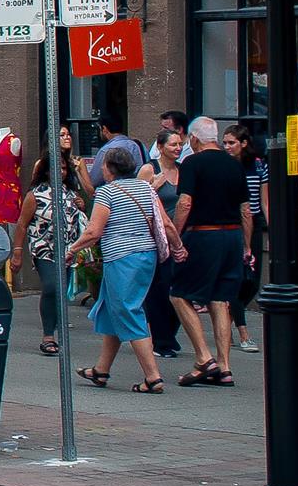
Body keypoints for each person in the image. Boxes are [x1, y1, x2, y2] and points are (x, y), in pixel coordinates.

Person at [65, 145, 177, 393]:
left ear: (109, 169)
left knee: (128, 310)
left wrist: (72, 249)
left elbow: (94, 231)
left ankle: (153, 377)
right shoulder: (146, 188)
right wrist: (177, 247)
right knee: (109, 309)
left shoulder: (107, 193)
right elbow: (166, 223)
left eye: (103, 165)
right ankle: (101, 370)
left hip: (121, 258)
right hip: (146, 256)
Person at [169, 116, 252, 387]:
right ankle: (225, 367)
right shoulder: (234, 165)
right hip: (232, 235)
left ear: (194, 138)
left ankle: (205, 358)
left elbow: (184, 203)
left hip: (204, 234)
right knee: (220, 299)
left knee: (179, 294)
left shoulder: (193, 162)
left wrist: (176, 238)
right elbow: (246, 210)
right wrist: (247, 245)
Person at [10, 153, 86, 357]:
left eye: (63, 169)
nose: (60, 172)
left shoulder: (70, 192)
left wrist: (80, 205)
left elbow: (77, 219)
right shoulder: (35, 194)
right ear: (45, 171)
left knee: (62, 290)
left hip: (68, 250)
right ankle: (47, 336)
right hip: (44, 248)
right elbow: (22, 225)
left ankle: (58, 329)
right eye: (55, 168)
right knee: (52, 286)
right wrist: (17, 253)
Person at [138, 128, 185, 358]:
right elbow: (135, 198)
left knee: (179, 287)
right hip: (155, 237)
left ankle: (169, 334)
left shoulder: (182, 171)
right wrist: (152, 187)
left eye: (179, 144)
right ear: (160, 146)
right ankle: (161, 340)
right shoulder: (150, 169)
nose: (177, 148)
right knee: (158, 289)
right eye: (172, 145)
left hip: (179, 235)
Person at [222, 123, 266, 354]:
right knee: (237, 280)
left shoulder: (257, 166)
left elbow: (263, 200)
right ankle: (243, 333)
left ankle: (226, 326)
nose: (227, 147)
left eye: (232, 143)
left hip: (254, 223)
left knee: (252, 281)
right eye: (225, 143)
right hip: (233, 224)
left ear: (244, 143)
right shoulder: (226, 167)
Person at [88, 109, 145, 190]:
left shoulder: (106, 150)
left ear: (104, 129)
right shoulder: (134, 145)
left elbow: (94, 180)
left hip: (111, 192)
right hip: (134, 191)